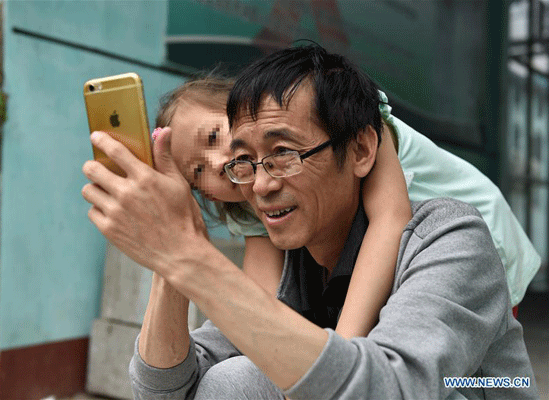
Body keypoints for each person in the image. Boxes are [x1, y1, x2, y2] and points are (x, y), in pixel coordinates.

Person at [82, 45, 538, 399]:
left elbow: (390, 388)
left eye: (282, 153)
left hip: (490, 252)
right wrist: (171, 265)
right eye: (242, 162)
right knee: (238, 378)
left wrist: (186, 255)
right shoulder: (283, 245)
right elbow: (171, 388)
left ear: (361, 150)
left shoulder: (448, 234)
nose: (258, 182)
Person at [154, 76, 411, 339]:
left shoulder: (347, 118)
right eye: (197, 171)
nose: (217, 164)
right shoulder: (257, 205)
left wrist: (341, 354)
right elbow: (264, 306)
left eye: (212, 136)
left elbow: (390, 221)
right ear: (210, 197)